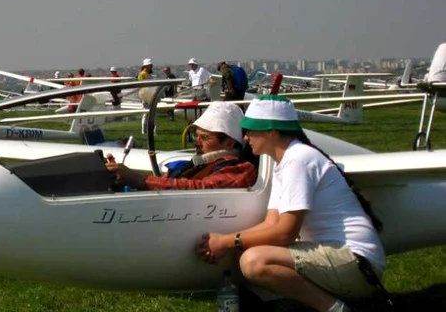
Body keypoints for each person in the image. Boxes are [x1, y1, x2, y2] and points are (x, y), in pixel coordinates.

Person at [196, 95, 387, 312]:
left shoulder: (298, 160)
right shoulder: (285, 162)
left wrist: (226, 241)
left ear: (272, 132)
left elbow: (285, 233)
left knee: (254, 261)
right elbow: (271, 224)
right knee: (249, 250)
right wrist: (226, 241)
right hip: (342, 258)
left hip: (356, 263)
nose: (246, 137)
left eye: (251, 130)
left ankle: (336, 309)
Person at [106, 102, 257, 190]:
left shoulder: (241, 169)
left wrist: (142, 180)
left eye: (204, 137)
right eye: (196, 136)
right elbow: (168, 180)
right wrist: (122, 175)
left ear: (229, 142)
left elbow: (201, 188)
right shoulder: (197, 165)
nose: (196, 142)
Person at [138, 58, 157, 134]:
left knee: (152, 114)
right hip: (145, 96)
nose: (151, 67)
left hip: (149, 95)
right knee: (146, 114)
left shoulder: (148, 75)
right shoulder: (142, 74)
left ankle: (152, 131)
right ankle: (144, 131)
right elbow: (142, 85)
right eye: (149, 65)